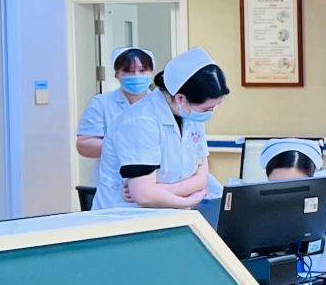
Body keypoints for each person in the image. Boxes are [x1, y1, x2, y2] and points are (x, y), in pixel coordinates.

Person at [94, 46, 229, 210]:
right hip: (125, 217)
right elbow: (144, 197)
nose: (211, 112)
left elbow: (201, 178)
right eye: (207, 108)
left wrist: (159, 190)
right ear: (180, 98)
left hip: (168, 214)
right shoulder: (140, 121)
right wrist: (188, 200)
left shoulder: (190, 115)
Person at [77, 47, 154, 206]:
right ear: (117, 73)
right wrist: (125, 146)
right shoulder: (102, 103)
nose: (136, 76)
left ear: (151, 72)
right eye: (129, 71)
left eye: (142, 70)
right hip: (111, 189)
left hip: (153, 187)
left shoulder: (162, 105)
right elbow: (84, 145)